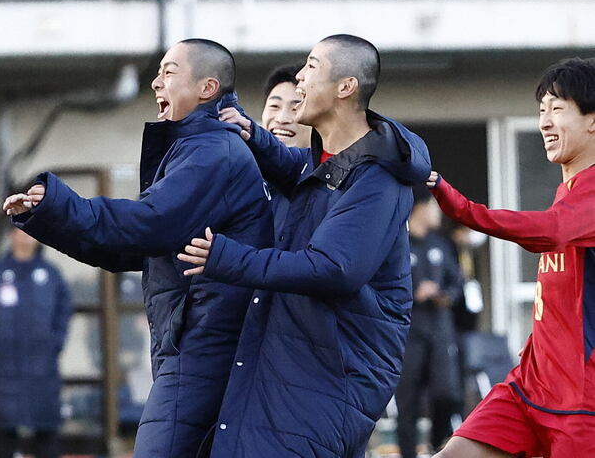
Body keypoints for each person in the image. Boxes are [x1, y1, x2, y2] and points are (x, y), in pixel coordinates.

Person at [3, 38, 274, 458]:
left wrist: (61, 203)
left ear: (207, 88)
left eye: (168, 72)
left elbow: (149, 226)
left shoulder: (213, 151)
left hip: (203, 344)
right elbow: (129, 249)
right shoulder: (195, 148)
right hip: (190, 341)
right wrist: (50, 216)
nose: (154, 83)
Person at [178, 34, 431, 458]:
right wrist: (256, 138)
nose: (299, 79)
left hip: (335, 373)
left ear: (345, 87)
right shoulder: (329, 159)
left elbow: (332, 268)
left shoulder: (377, 178)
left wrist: (224, 257)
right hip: (302, 365)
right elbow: (300, 173)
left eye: (312, 67)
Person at [429, 57, 595, 458]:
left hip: (581, 402)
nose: (545, 122)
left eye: (558, 109)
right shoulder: (567, 192)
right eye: (542, 111)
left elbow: (549, 232)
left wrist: (461, 208)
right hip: (530, 384)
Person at [0, 228, 72, 458]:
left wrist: (55, 342)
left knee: (46, 433)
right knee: (4, 434)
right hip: (6, 365)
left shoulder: (50, 274)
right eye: (21, 231)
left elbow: (63, 311)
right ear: (11, 235)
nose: (27, 236)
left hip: (43, 365)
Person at [395, 187, 464, 458]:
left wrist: (443, 294)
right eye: (435, 206)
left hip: (440, 331)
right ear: (421, 208)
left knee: (447, 394)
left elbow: (457, 285)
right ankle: (408, 453)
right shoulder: (399, 242)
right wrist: (414, 293)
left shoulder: (442, 244)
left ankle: (437, 447)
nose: (439, 212)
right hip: (409, 333)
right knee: (407, 402)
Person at [259, 64, 311, 238]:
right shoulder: (241, 175)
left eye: (295, 108)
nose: (282, 119)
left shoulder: (325, 188)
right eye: (274, 106)